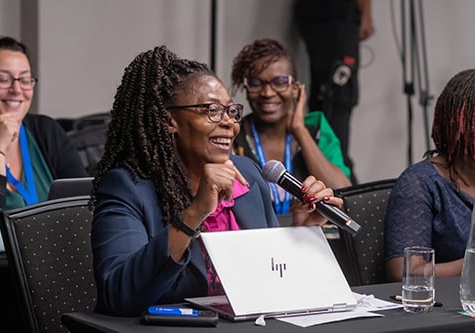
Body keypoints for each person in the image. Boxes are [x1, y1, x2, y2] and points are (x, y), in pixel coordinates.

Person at [91, 45, 343, 316]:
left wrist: (299, 235)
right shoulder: (128, 187)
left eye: (231, 112)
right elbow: (118, 296)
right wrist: (195, 213)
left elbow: (276, 288)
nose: (229, 123)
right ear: (170, 120)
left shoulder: (246, 176)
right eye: (212, 110)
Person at [0, 36, 87, 234]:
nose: (17, 89)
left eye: (25, 80)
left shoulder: (46, 130)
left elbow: (86, 205)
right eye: (3, 79)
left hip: (54, 257)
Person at [231, 38, 351, 215]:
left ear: (296, 89)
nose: (267, 93)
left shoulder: (315, 127)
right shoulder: (233, 133)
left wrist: (300, 131)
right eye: (256, 83)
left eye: (279, 82)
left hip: (307, 234)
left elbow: (344, 194)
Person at [384, 69, 475, 282]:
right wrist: (471, 264)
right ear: (457, 126)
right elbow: (405, 271)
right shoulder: (420, 183)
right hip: (449, 308)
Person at [293, 0, 375, 183]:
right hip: (337, 14)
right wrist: (366, 12)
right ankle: (339, 178)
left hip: (316, 15)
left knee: (324, 100)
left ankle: (326, 171)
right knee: (338, 101)